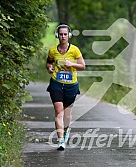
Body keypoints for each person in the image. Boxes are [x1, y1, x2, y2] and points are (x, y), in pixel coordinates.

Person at [46, 23, 86, 151]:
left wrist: (71, 64)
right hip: (56, 83)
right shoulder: (53, 50)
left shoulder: (75, 50)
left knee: (67, 115)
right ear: (57, 35)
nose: (63, 37)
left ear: (68, 35)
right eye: (61, 34)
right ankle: (61, 140)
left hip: (71, 85)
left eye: (65, 34)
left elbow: (83, 66)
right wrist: (49, 67)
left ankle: (67, 129)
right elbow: (49, 62)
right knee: (59, 111)